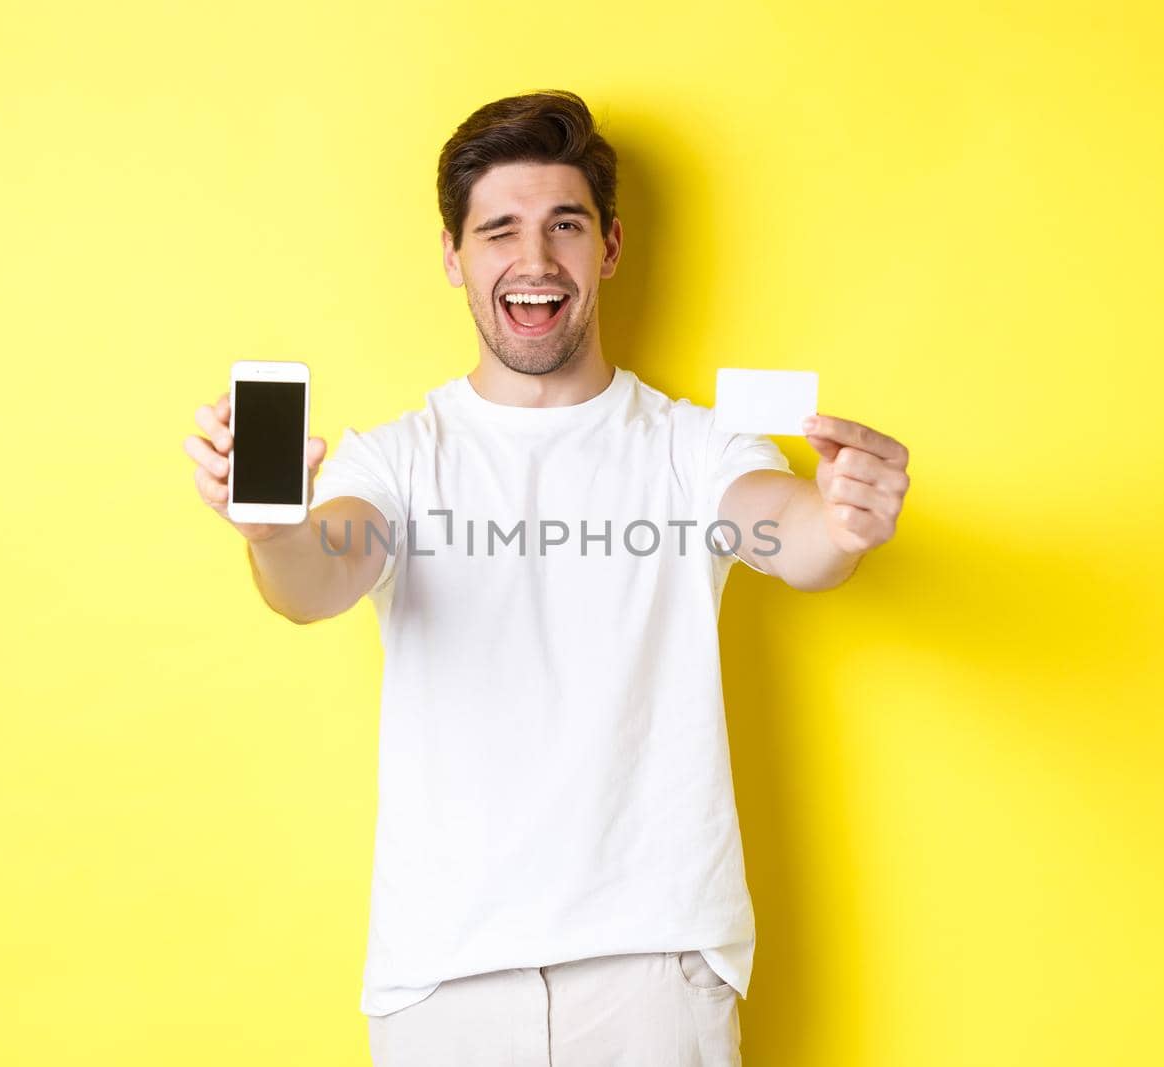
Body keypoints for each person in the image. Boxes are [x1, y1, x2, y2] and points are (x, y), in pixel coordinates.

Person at [183, 89, 911, 1066]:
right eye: (499, 232)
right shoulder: (394, 462)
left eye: (563, 227)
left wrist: (842, 518)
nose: (534, 262)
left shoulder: (692, 449)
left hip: (652, 971)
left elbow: (791, 535)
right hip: (445, 979)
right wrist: (269, 527)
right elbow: (315, 576)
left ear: (607, 247)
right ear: (453, 255)